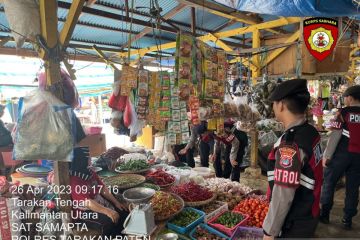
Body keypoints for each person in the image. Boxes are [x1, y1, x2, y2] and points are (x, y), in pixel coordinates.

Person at [262, 79, 323, 239]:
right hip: (310, 210)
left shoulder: (290, 146)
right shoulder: (311, 131)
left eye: (273, 103)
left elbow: (283, 194)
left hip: (295, 223)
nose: (273, 107)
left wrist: (270, 231)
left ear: (281, 105)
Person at [320, 85, 360, 229]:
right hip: (358, 158)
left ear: (350, 98)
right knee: (353, 188)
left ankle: (324, 215)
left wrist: (327, 155)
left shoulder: (343, 113)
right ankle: (347, 220)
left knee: (329, 182)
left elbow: (335, 135)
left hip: (341, 155)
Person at [70, 147, 129, 237]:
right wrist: (107, 211)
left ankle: (121, 236)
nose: (90, 160)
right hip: (83, 212)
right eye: (88, 158)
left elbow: (102, 188)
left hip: (97, 202)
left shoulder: (90, 172)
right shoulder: (74, 180)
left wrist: (116, 203)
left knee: (123, 212)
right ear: (81, 161)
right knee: (109, 222)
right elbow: (87, 202)